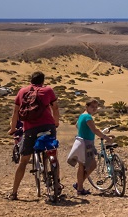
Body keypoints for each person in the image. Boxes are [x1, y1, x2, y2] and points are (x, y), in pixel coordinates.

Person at [8, 71, 61, 200]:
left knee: (24, 161)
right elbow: (55, 108)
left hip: (30, 129)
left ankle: (14, 193)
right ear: (43, 81)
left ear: (31, 80)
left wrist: (13, 129)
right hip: (48, 126)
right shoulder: (48, 90)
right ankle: (57, 183)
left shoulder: (22, 92)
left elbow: (15, 112)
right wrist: (56, 122)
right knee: (52, 153)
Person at [68, 99, 114, 196]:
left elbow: (77, 125)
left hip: (79, 141)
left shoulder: (82, 116)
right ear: (87, 106)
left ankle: (79, 188)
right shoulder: (88, 117)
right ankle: (79, 185)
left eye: (96, 107)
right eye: (92, 107)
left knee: (81, 166)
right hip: (86, 143)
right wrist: (106, 137)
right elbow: (95, 130)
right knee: (92, 165)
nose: (94, 109)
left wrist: (84, 130)